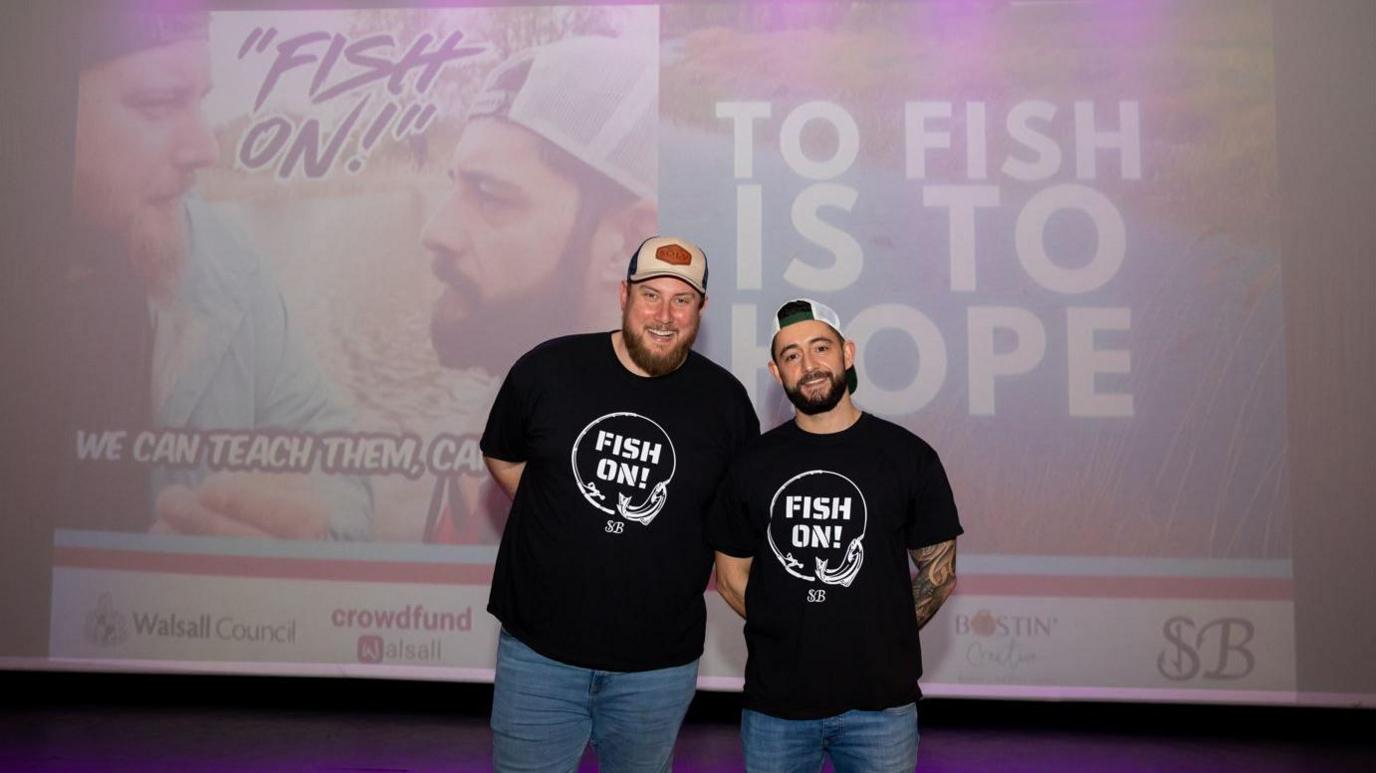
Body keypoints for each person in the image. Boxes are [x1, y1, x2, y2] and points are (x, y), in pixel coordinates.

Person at [56, 6, 370, 539]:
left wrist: (317, 525)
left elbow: (335, 454)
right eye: (158, 104)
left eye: (199, 101)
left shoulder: (233, 270)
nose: (206, 148)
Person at [479, 236, 760, 772]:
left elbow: (734, 520)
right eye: (650, 295)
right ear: (623, 294)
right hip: (540, 654)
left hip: (658, 668)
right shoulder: (548, 369)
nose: (664, 314)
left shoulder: (725, 403)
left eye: (682, 300)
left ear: (701, 309)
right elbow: (503, 457)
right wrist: (559, 505)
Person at [421, 35, 657, 544]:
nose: (435, 232)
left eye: (489, 195)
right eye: (454, 184)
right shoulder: (496, 425)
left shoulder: (683, 485)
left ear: (628, 242)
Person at [709, 298, 962, 772]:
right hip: (776, 710)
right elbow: (730, 576)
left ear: (847, 352)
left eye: (820, 347)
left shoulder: (908, 457)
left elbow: (939, 572)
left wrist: (884, 634)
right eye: (791, 355)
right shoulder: (751, 465)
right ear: (776, 371)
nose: (808, 365)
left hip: (880, 711)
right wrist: (787, 629)